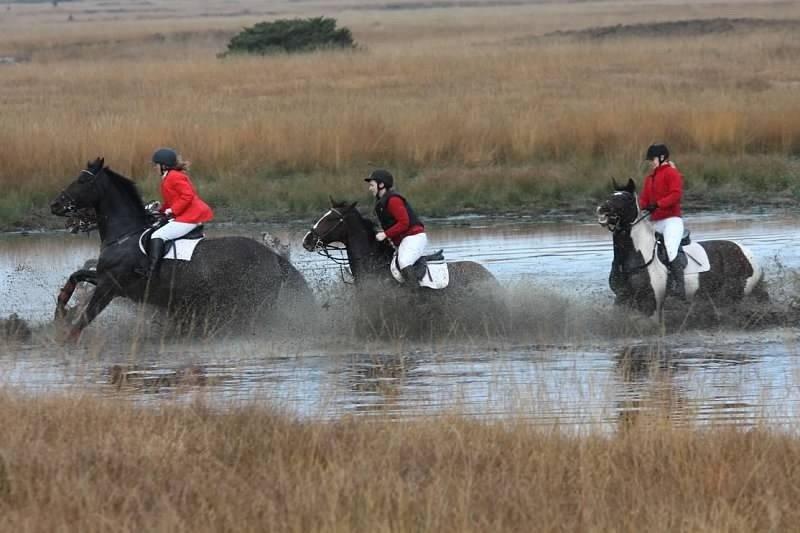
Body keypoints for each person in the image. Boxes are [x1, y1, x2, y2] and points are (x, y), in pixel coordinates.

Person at [141, 148, 214, 279]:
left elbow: (187, 195)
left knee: (158, 235)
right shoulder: (168, 177)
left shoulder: (174, 176)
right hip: (184, 215)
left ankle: (152, 273)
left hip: (190, 217)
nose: (155, 168)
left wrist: (173, 210)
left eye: (156, 165)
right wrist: (161, 210)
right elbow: (172, 200)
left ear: (163, 166)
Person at [364, 169, 427, 284]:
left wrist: (385, 234)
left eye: (372, 185)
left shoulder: (393, 200)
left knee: (403, 262)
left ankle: (417, 294)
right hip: (405, 240)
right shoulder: (382, 202)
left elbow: (404, 223)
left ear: (381, 185)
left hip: (414, 237)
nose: (370, 188)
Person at [639, 143, 685, 298]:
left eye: (652, 159)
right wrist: (642, 206)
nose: (651, 162)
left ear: (661, 157)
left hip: (671, 221)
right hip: (654, 222)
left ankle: (679, 287)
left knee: (671, 250)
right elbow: (643, 199)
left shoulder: (671, 173)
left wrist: (658, 204)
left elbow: (675, 195)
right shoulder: (649, 178)